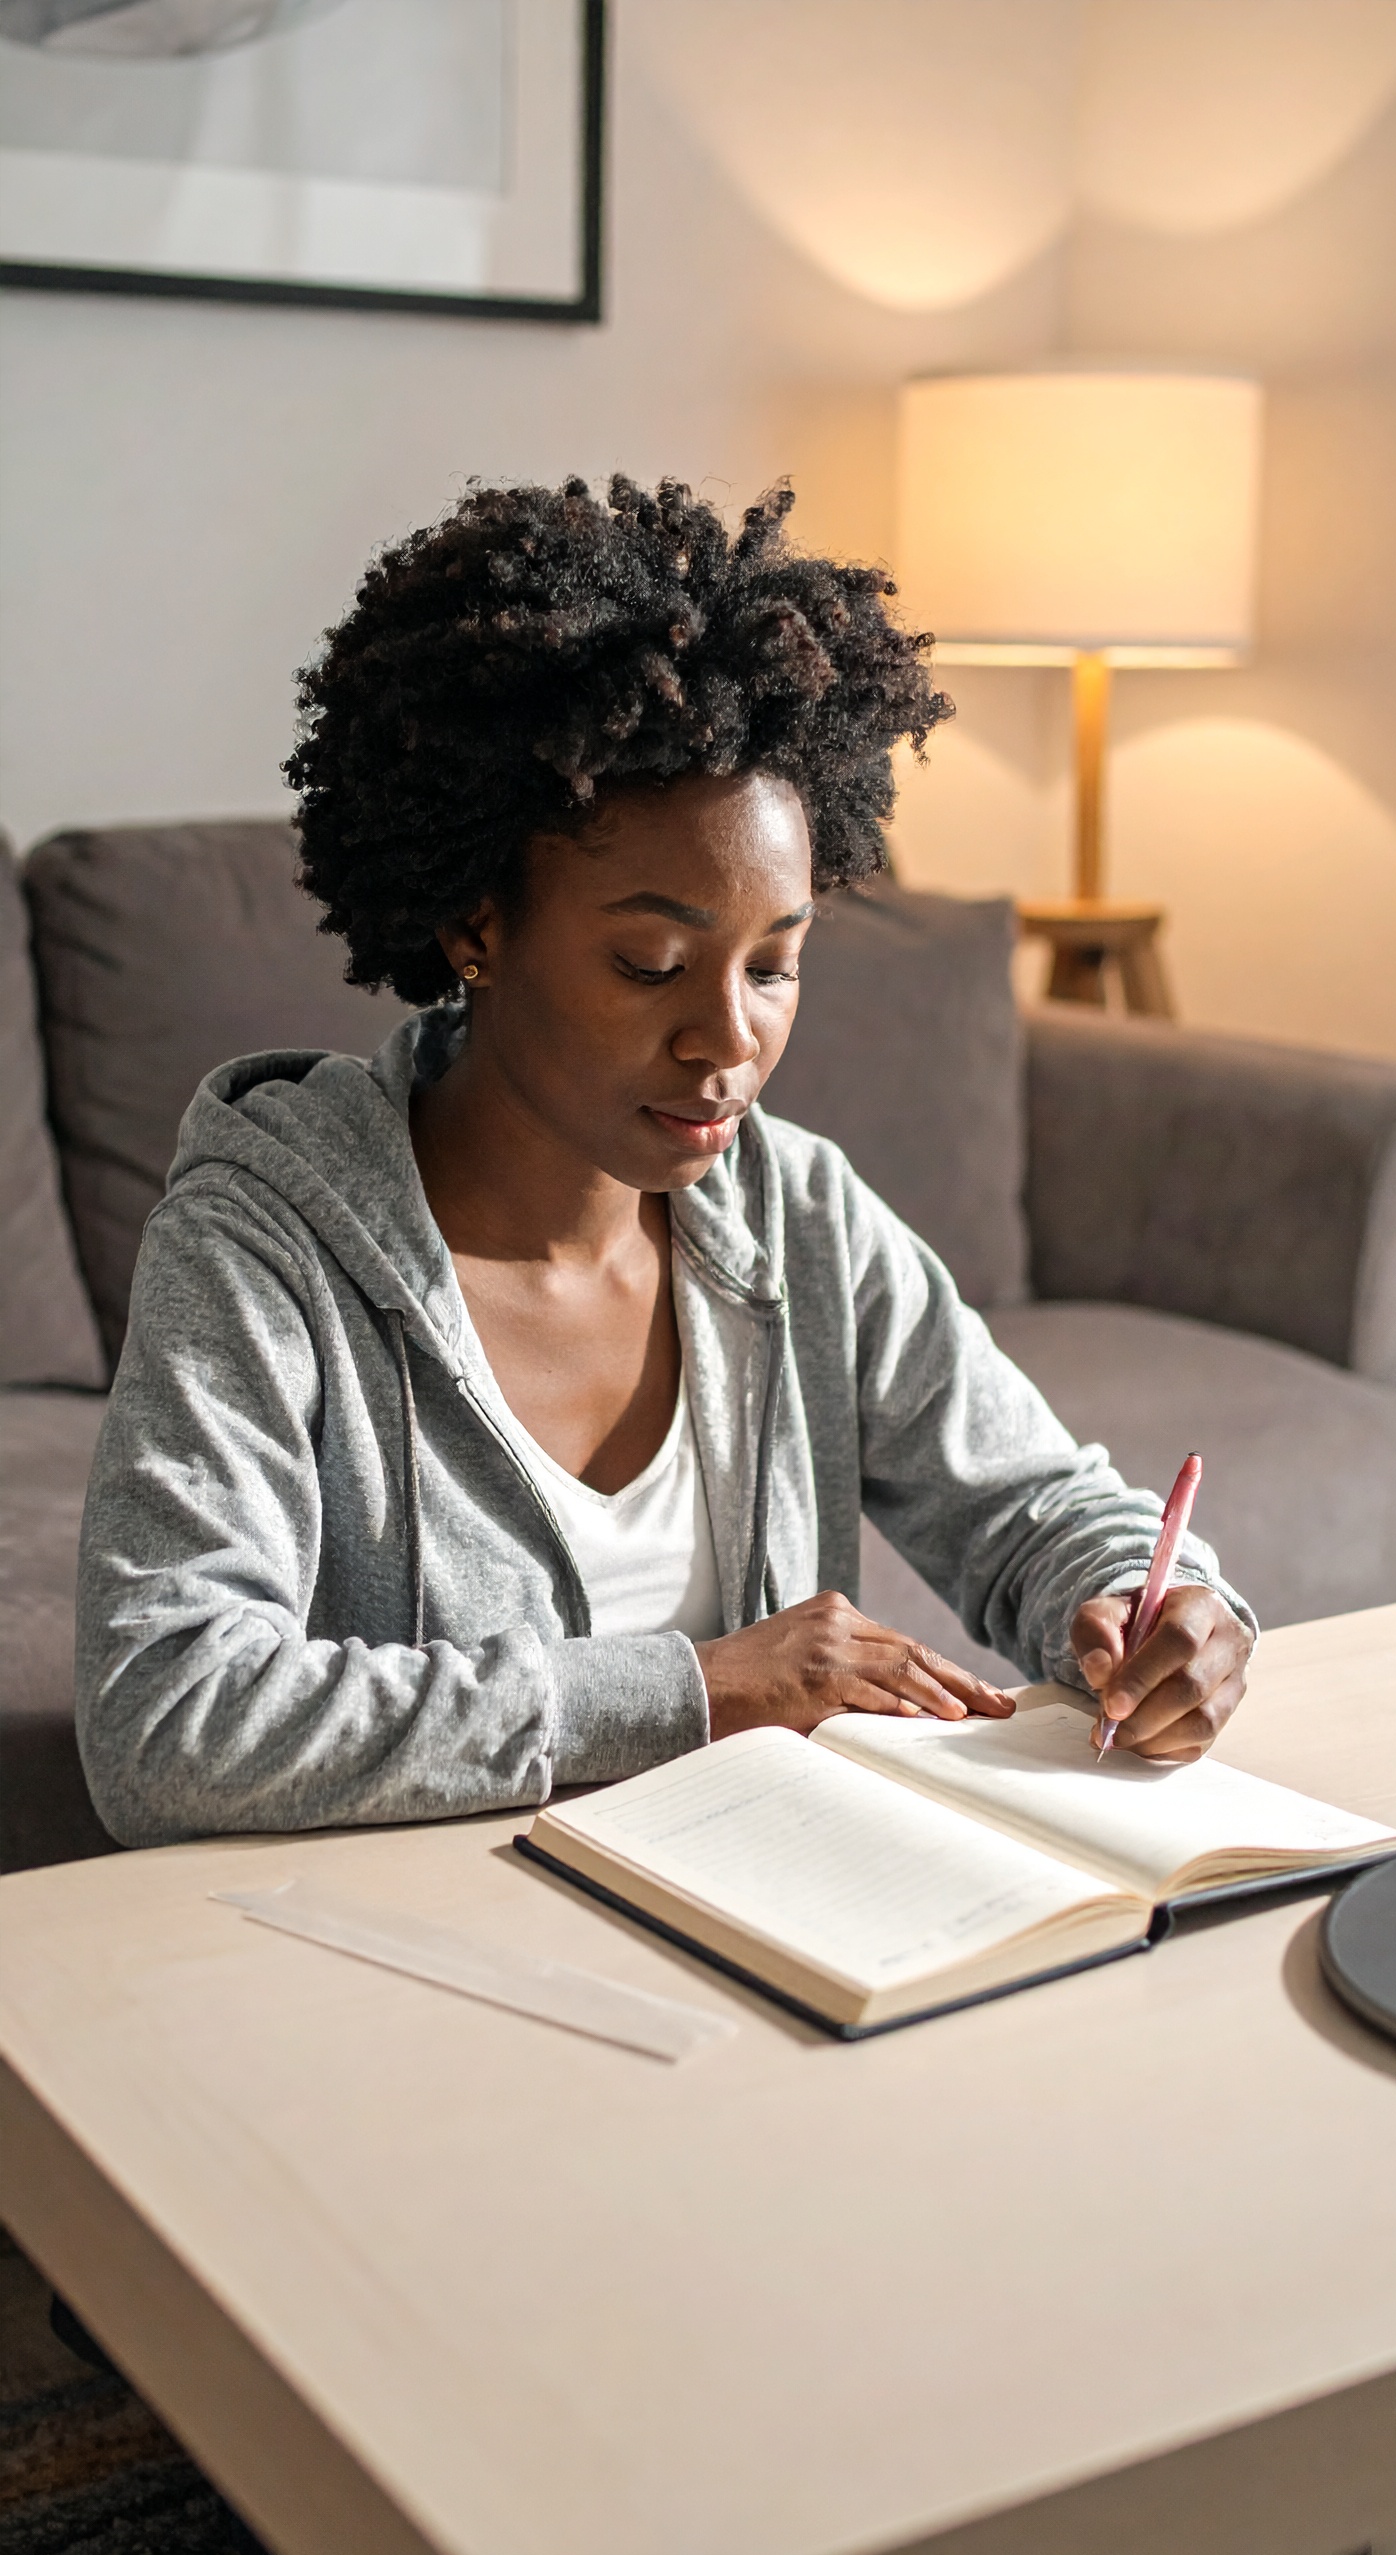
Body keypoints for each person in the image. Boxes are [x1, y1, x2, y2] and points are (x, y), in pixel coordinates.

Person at [75, 478, 1254, 1848]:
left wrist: (1158, 1608)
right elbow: (164, 1720)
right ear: (476, 925)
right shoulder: (266, 1244)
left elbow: (1040, 1506)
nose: (729, 1040)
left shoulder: (797, 1213)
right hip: (426, 1963)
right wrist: (694, 1690)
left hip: (770, 1923)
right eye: (651, 964)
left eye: (777, 965)